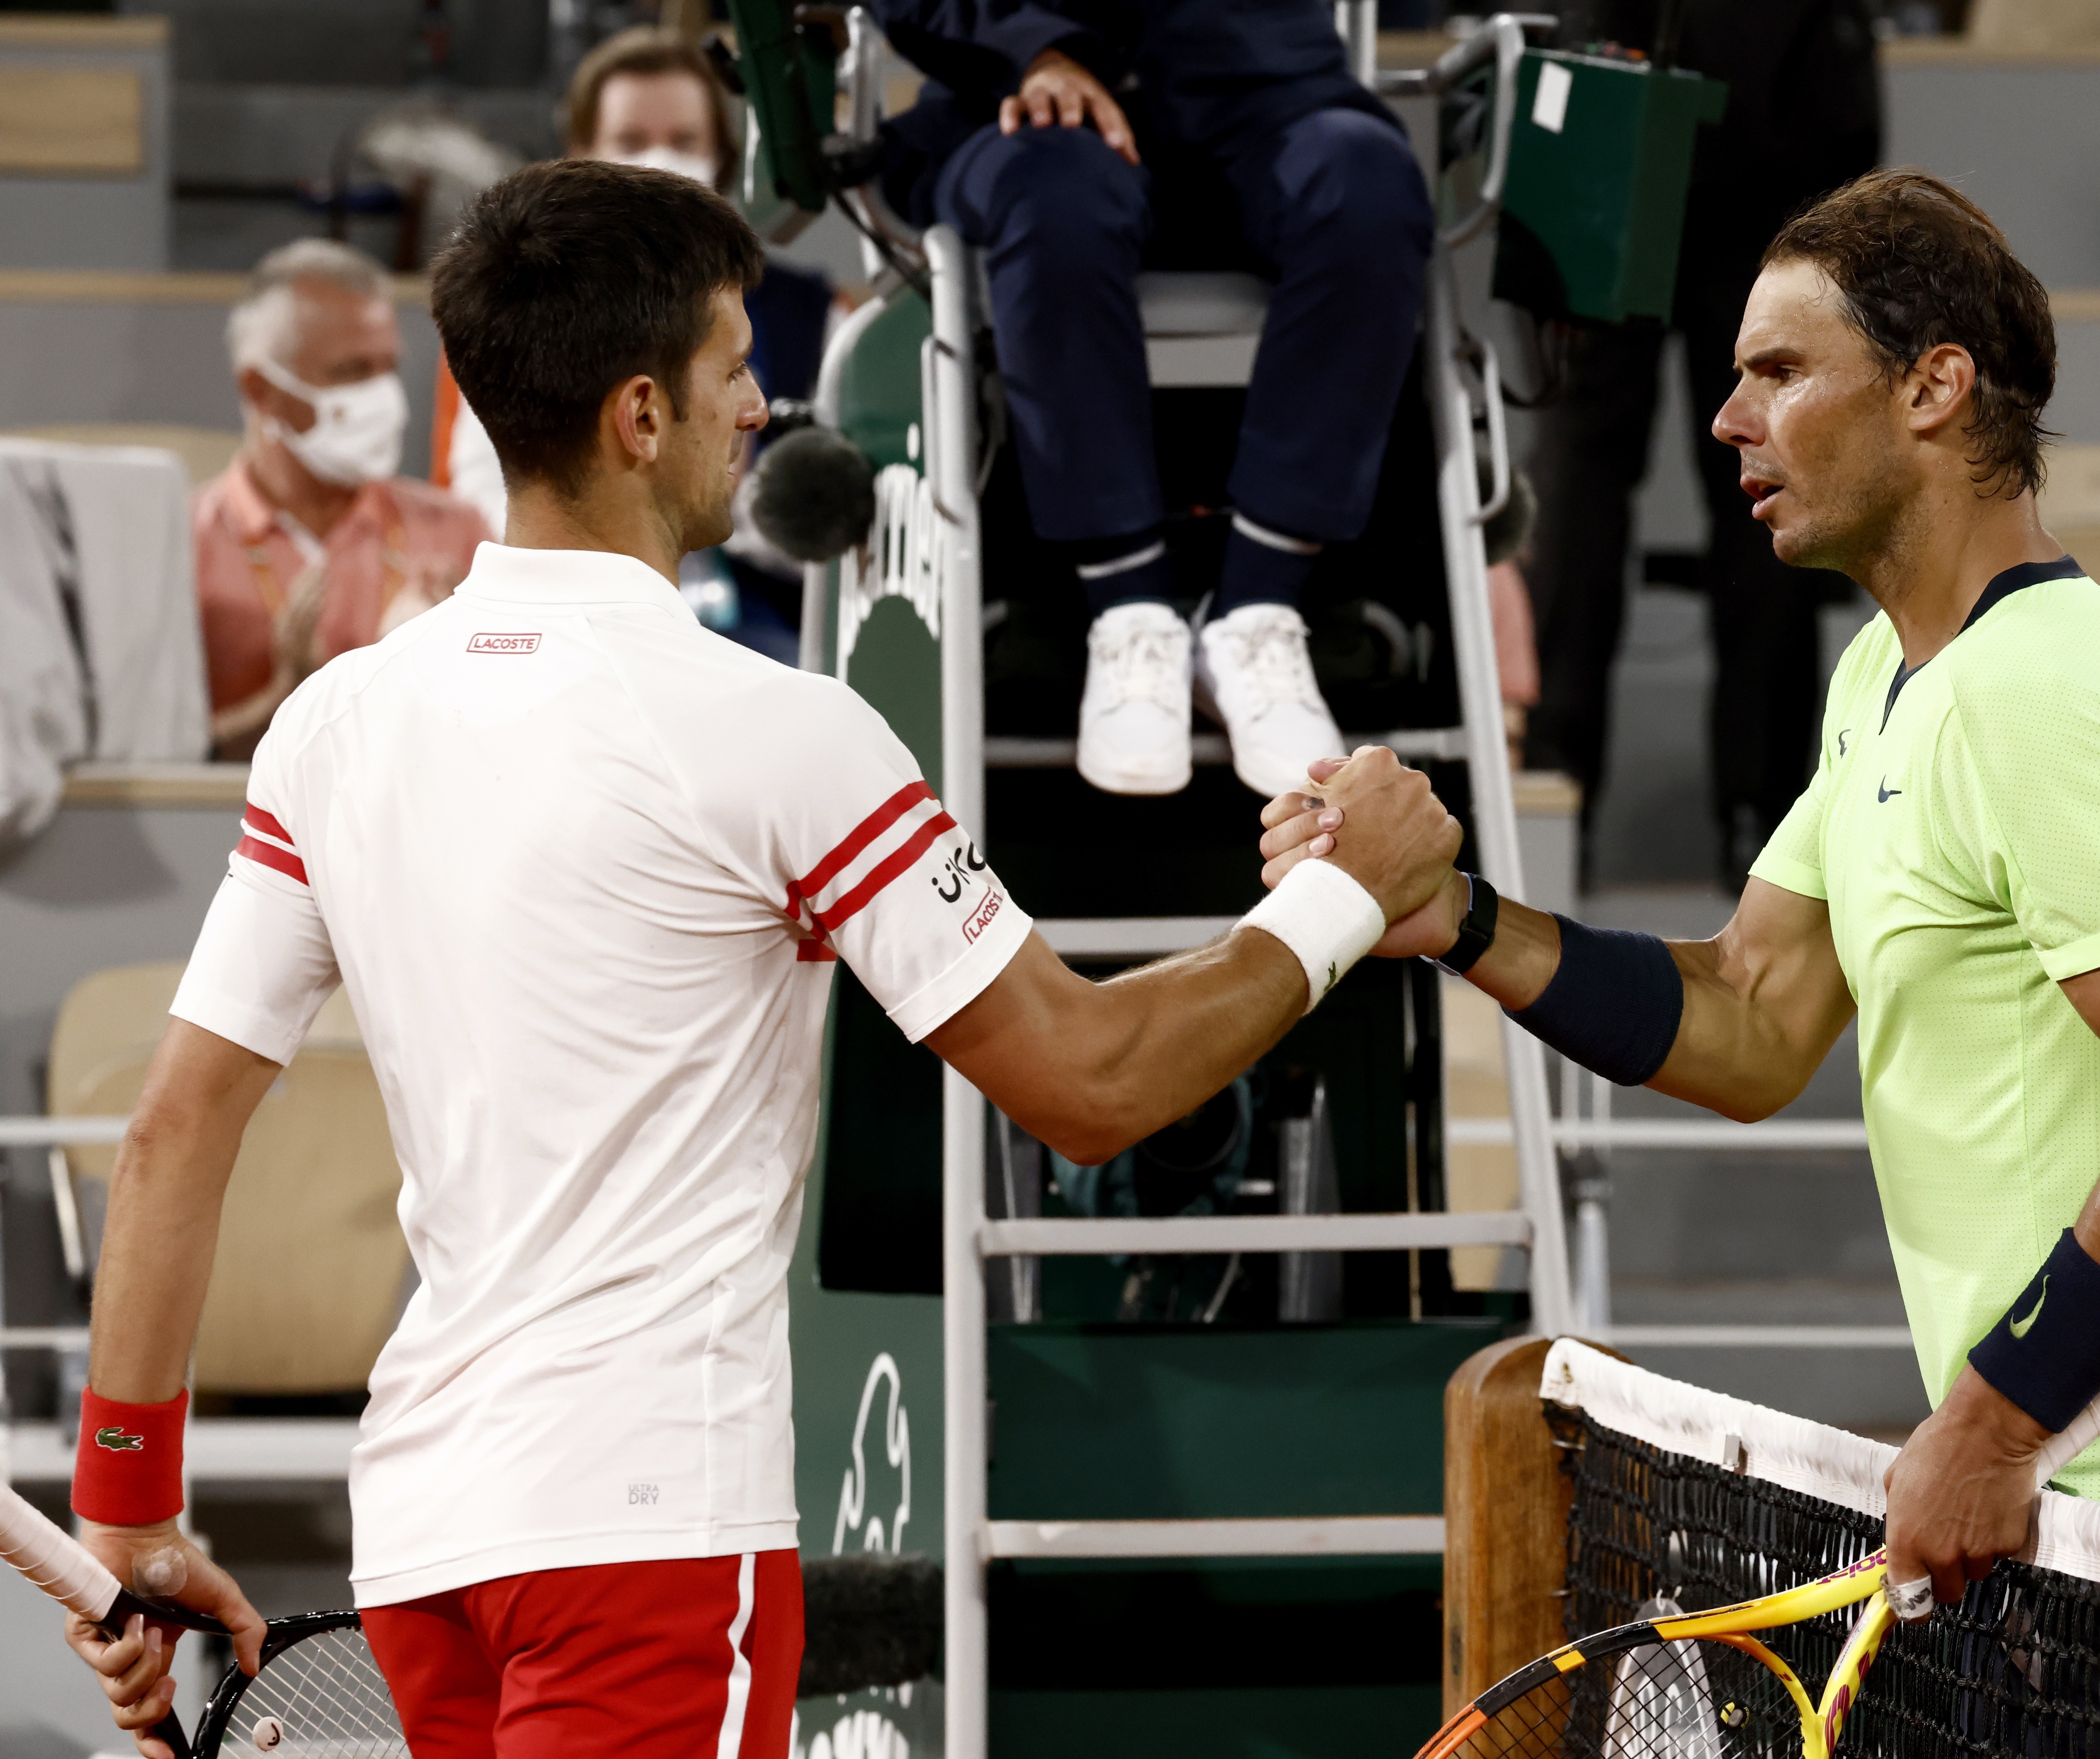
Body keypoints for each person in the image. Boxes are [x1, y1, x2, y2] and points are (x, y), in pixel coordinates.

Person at [64, 158, 1455, 1759]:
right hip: (648, 1538)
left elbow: (173, 1136)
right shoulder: (775, 732)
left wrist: (130, 1509)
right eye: (735, 368)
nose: (762, 404)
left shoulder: (334, 725)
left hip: (425, 1548)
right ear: (639, 416)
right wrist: (1345, 899)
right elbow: (1087, 1082)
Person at [1263, 171, 2100, 1595]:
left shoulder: (2037, 689)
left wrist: (1990, 1418)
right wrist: (1460, 916)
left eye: (1780, 372)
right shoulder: (1889, 676)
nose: (1729, 420)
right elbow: (1750, 1014)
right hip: (2086, 1492)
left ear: (1935, 387)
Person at [872, 0, 1435, 798]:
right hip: (1019, 106)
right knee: (1056, 196)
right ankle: (1128, 610)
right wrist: (1036, 49)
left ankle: (1256, 611)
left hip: (1266, 90)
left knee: (1368, 183)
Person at [1520, 0, 1880, 886]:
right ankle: (1563, 796)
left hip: (1715, 141)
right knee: (1586, 494)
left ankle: (1748, 819)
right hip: (1641, 122)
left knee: (1759, 487)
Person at [436, 27, 834, 665]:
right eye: (631, 141)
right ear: (580, 153)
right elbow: (480, 497)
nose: (658, 160)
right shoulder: (508, 298)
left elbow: (830, 523)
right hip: (559, 616)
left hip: (755, 623)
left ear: (724, 157)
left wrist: (733, 492)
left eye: (684, 141)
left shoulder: (809, 314)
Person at [195, 240, 487, 759]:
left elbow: (507, 737)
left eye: (387, 369)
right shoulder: (184, 546)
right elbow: (157, 766)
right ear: (261, 391)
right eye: (353, 372)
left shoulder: (459, 534)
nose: (384, 398)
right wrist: (282, 704)